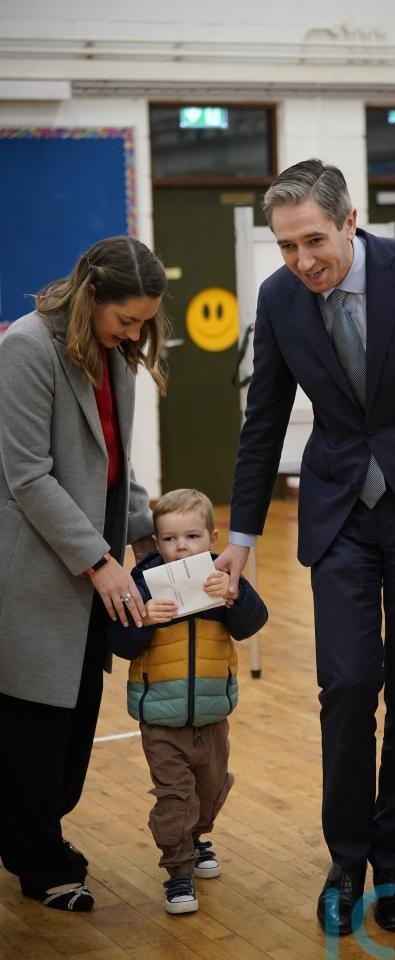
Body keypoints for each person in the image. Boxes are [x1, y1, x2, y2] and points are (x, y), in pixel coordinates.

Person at [215, 159, 395, 935]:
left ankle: (393, 861)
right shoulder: (280, 297)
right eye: (286, 245)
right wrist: (240, 538)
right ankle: (345, 862)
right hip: (340, 512)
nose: (302, 260)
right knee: (346, 687)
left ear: (350, 221)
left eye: (314, 239)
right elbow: (263, 421)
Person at [0, 236, 168, 911]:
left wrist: (146, 531)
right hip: (36, 569)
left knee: (71, 731)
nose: (133, 334)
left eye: (143, 324)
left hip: (89, 565)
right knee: (35, 730)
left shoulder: (113, 355)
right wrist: (100, 561)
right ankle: (39, 861)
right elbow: (27, 476)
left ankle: (31, 838)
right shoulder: (26, 347)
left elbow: (114, 463)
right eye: (126, 320)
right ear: (92, 294)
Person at [106, 488, 268, 915]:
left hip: (212, 715)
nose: (181, 547)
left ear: (212, 538)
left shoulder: (221, 576)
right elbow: (120, 643)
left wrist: (234, 595)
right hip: (161, 717)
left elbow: (252, 624)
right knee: (175, 796)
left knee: (210, 790)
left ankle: (196, 839)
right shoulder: (142, 583)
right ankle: (178, 869)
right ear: (156, 541)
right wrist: (143, 620)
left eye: (192, 537)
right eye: (170, 539)